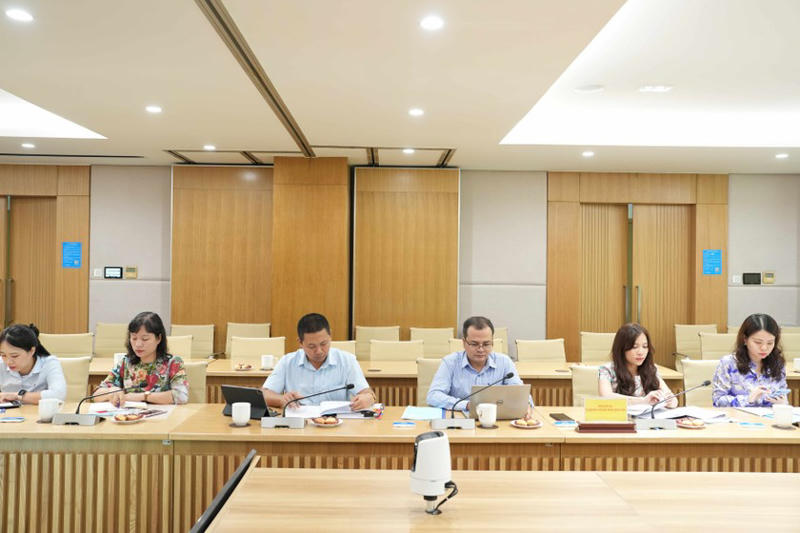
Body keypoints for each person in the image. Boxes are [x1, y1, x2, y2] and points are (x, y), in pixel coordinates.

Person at [262, 313, 376, 410]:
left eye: (323, 344)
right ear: (300, 343)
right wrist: (281, 399)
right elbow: (264, 394)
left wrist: (368, 398)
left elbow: (367, 393)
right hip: (299, 422)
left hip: (335, 422)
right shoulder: (287, 362)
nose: (319, 351)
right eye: (312, 346)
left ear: (330, 336)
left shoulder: (347, 360)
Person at [427, 316, 533, 416]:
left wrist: (526, 404)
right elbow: (433, 396)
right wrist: (467, 405)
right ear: (464, 343)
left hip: (496, 420)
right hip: (460, 420)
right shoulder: (450, 362)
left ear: (492, 343)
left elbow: (521, 394)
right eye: (474, 344)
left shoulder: (504, 362)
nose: (481, 349)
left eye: (486, 344)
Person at [96, 311, 189, 405]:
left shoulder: (173, 363)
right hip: (130, 413)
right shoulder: (126, 362)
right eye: (134, 338)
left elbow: (181, 396)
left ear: (159, 338)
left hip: (163, 414)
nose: (138, 344)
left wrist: (143, 396)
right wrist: (111, 391)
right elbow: (96, 395)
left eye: (145, 339)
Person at [712, 313, 788, 407]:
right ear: (745, 339)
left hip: (770, 416)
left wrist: (782, 403)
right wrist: (748, 399)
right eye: (758, 342)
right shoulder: (728, 363)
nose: (764, 348)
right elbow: (717, 401)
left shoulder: (777, 363)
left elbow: (783, 396)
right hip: (738, 416)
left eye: (770, 343)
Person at [598, 322, 677, 407]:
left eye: (645, 346)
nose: (640, 352)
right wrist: (643, 401)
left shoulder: (651, 369)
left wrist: (671, 402)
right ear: (622, 348)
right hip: (621, 415)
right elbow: (605, 397)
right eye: (634, 347)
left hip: (649, 415)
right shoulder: (607, 370)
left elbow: (671, 397)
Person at [0, 324, 66, 404]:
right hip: (8, 412)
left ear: (31, 351)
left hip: (39, 411)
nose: (8, 362)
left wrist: (17, 396)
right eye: (3, 355)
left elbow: (58, 394)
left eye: (14, 356)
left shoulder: (49, 363)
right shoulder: (1, 363)